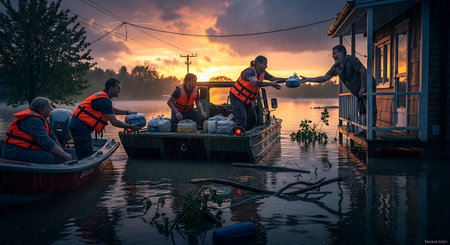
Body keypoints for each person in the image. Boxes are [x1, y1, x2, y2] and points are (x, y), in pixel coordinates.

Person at [300, 45, 377, 134]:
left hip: (368, 85)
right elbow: (324, 78)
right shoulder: (336, 67)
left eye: (335, 53)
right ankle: (365, 129)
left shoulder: (351, 60)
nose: (333, 56)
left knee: (370, 108)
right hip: (357, 89)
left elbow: (363, 70)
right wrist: (308, 79)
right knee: (362, 109)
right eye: (332, 54)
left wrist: (363, 87)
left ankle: (372, 131)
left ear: (342, 53)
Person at [69, 78, 141, 160]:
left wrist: (127, 112)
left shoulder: (104, 97)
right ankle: (81, 169)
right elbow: (114, 122)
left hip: (80, 125)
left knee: (85, 150)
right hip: (79, 126)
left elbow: (111, 110)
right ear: (111, 88)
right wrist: (131, 127)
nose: (119, 91)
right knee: (85, 154)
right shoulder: (104, 100)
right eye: (118, 88)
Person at [1, 97, 73, 164]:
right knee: (47, 158)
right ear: (40, 109)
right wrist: (66, 155)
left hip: (24, 149)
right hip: (14, 152)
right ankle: (48, 176)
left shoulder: (42, 119)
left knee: (56, 154)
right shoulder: (34, 120)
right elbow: (46, 142)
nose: (51, 108)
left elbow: (53, 139)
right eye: (48, 106)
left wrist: (63, 153)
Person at [230, 55, 285, 130]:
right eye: (265, 64)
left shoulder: (263, 73)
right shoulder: (249, 72)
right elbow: (255, 83)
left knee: (253, 119)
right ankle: (238, 137)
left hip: (246, 99)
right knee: (242, 119)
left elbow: (274, 79)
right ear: (258, 64)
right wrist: (270, 84)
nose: (266, 66)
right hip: (236, 97)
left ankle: (248, 133)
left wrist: (289, 79)